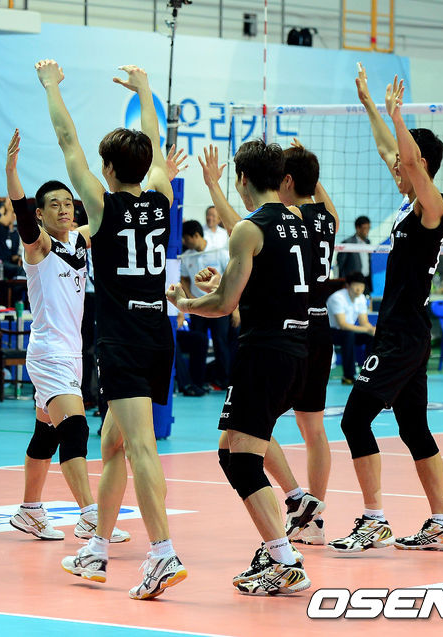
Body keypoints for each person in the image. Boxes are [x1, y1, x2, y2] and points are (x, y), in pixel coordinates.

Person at [36, 59, 186, 599]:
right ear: (145, 166)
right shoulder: (162, 198)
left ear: (106, 167)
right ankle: (96, 549)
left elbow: (66, 139)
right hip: (158, 334)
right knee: (113, 444)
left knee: (139, 447)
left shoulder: (100, 206)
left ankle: (163, 553)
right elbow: (153, 142)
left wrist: (52, 85)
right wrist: (145, 90)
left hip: (122, 339)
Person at [168, 139, 312, 596]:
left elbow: (225, 303)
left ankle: (284, 561)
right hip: (295, 350)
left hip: (264, 353)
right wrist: (230, 285)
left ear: (243, 179)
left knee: (243, 462)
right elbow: (266, 284)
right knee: (231, 452)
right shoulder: (300, 221)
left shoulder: (249, 229)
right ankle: (288, 523)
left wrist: (185, 302)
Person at [328, 64, 443, 553]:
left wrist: (399, 117)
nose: (394, 169)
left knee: (354, 420)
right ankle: (442, 524)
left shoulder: (432, 208)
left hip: (403, 336)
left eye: (403, 166)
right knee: (414, 427)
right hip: (401, 333)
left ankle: (374, 519)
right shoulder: (408, 203)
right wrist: (370, 106)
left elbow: (407, 159)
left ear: (418, 164)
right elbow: (392, 151)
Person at [197, 142, 335, 549]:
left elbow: (248, 232)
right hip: (311, 331)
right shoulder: (320, 220)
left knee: (242, 446)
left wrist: (192, 300)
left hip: (274, 339)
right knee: (297, 430)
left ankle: (284, 543)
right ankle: (303, 508)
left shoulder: (272, 222)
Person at [5, 130, 129, 545]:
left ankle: (29, 510)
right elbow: (22, 215)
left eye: (67, 203)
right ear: (41, 214)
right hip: (48, 354)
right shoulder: (37, 247)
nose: (64, 209)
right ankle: (90, 515)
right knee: (75, 428)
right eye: (54, 205)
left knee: (46, 434)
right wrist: (12, 172)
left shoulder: (79, 240)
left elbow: (111, 216)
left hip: (72, 354)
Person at [181, 219, 231, 388]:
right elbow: (184, 278)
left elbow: (231, 277)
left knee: (220, 342)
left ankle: (224, 381)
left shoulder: (219, 252)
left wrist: (235, 307)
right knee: (199, 344)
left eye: (186, 238)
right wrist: (190, 298)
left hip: (218, 305)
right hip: (198, 307)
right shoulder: (187, 256)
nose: (184, 242)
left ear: (196, 235)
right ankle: (198, 382)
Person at [327, 271, 375, 384]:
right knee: (349, 335)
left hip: (349, 331)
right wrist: (368, 329)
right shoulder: (337, 298)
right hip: (331, 332)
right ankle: (348, 376)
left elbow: (364, 322)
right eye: (356, 285)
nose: (359, 289)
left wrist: (372, 330)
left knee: (371, 337)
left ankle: (369, 374)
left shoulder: (361, 298)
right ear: (348, 285)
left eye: (362, 286)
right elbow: (342, 325)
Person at [0, 197, 25, 279]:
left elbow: (13, 256)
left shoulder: (15, 234)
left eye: (15, 213)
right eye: (12, 213)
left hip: (8, 263)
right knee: (20, 270)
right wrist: (6, 207)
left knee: (24, 269)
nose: (13, 215)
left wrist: (21, 258)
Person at [337, 215, 372, 293]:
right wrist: (343, 283)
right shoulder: (347, 243)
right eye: (365, 228)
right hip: (352, 283)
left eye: (369, 228)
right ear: (357, 228)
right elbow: (340, 265)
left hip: (365, 281)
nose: (367, 231)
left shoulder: (368, 242)